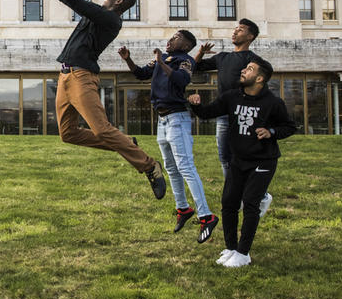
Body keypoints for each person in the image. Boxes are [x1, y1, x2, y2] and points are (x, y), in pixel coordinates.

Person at [19, 0, 166, 199]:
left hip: (82, 77)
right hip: (65, 77)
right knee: (68, 134)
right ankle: (126, 143)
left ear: (118, 1)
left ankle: (149, 165)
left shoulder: (110, 19)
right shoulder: (98, 14)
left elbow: (73, 1)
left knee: (102, 129)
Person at [188, 59, 296, 267]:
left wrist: (271, 132)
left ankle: (243, 253)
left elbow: (289, 126)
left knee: (250, 204)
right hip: (238, 160)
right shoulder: (231, 97)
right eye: (245, 68)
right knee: (228, 203)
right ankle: (231, 248)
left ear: (260, 78)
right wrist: (196, 105)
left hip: (263, 161)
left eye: (250, 69)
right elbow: (208, 113)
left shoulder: (273, 103)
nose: (244, 71)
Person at [119, 31, 218, 243]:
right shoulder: (163, 58)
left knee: (185, 167)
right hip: (162, 120)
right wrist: (128, 59)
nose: (170, 40)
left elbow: (181, 80)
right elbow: (141, 74)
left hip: (177, 118)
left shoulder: (186, 61)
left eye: (175, 37)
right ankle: (183, 208)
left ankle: (206, 216)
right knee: (171, 167)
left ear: (185, 44)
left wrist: (160, 63)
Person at [194, 19, 274, 218]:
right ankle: (236, 194)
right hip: (223, 114)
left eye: (240, 30)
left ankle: (261, 196)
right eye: (235, 29)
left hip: (244, 115)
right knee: (225, 158)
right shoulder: (222, 57)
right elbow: (195, 67)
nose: (235, 32)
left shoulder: (254, 61)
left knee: (243, 158)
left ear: (250, 37)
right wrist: (201, 53)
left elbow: (261, 86)